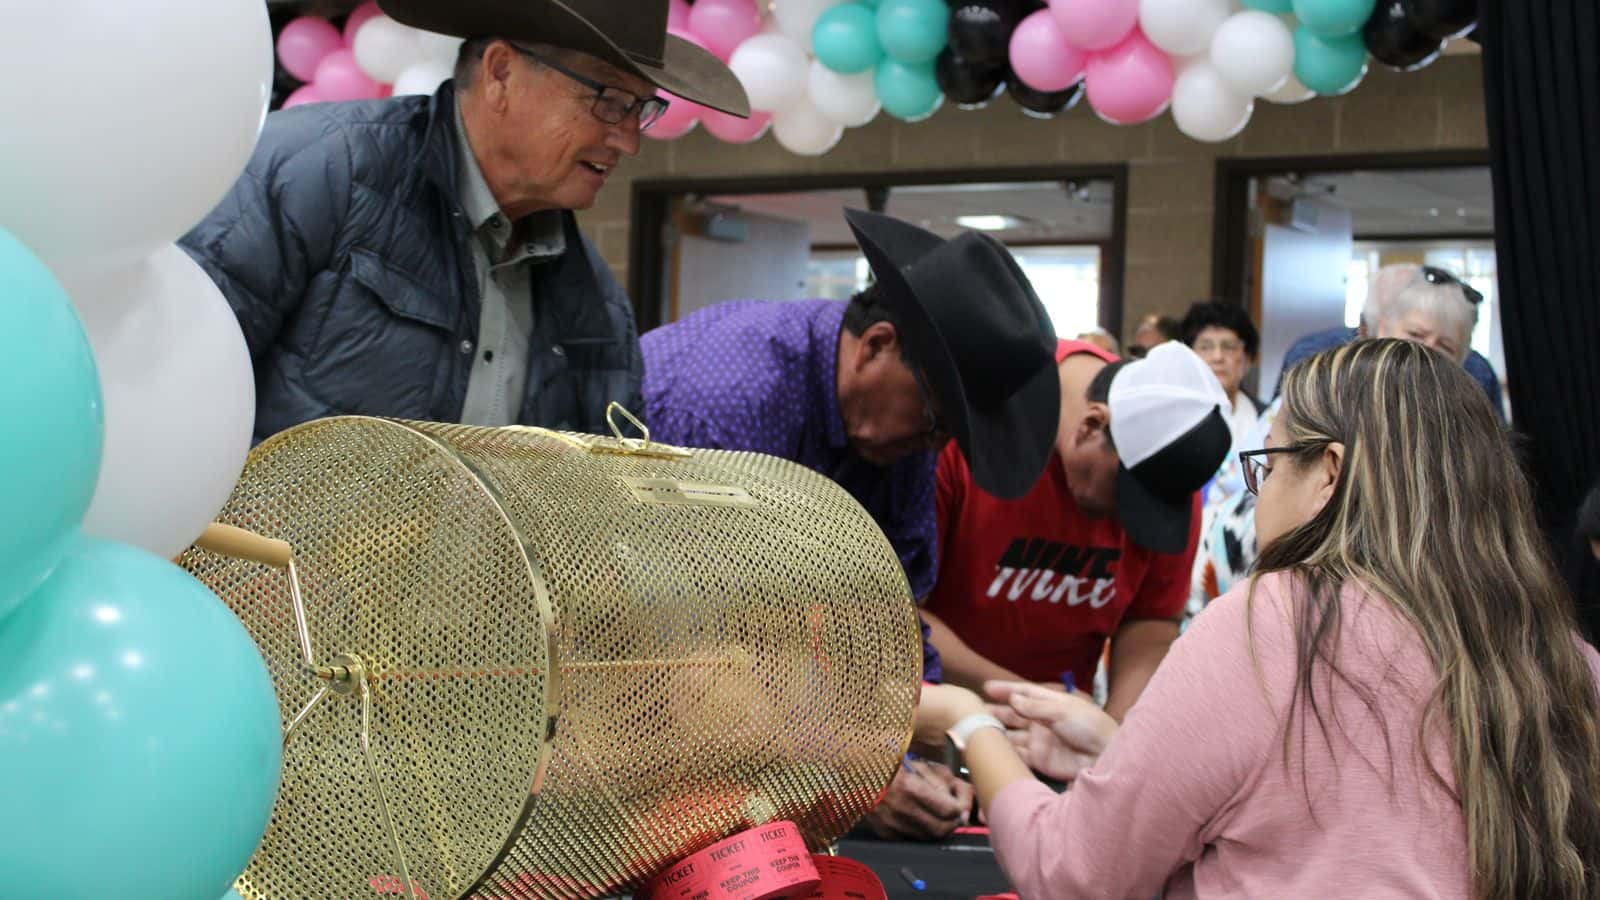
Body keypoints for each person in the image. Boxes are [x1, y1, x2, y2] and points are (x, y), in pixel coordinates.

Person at [917, 338, 1600, 899]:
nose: (1260, 492)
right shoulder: (1566, 662)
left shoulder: (1270, 624)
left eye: (1268, 463)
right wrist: (1118, 748)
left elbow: (1072, 870)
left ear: (1328, 473)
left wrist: (970, 723)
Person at [641, 208, 1061, 842]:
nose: (932, 444)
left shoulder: (899, 438)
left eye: (946, 435)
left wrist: (915, 759)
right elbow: (701, 644)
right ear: (877, 345)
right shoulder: (735, 394)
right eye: (933, 417)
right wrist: (849, 777)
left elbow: (889, 619)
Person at [181, 0, 748, 442]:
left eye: (642, 110)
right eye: (609, 100)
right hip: (254, 588)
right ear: (501, 73)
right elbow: (171, 390)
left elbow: (592, 507)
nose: (628, 139)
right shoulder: (321, 173)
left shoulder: (597, 306)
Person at [921, 340, 1231, 721]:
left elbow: (1151, 617)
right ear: (1090, 427)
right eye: (1125, 500)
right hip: (931, 712)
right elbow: (898, 615)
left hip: (1060, 727)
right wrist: (1025, 699)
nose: (1126, 522)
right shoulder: (977, 420)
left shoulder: (1164, 468)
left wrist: (1112, 738)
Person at [1276, 263, 1504, 419]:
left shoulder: (1471, 397)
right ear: (1382, 327)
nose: (1427, 351)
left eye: (1445, 346)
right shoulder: (1328, 375)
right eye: (1415, 335)